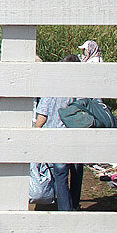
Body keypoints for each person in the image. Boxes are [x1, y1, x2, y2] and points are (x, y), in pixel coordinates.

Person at [33, 56, 84, 211]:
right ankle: (74, 204)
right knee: (76, 172)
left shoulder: (53, 86)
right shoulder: (85, 87)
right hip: (78, 136)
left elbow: (43, 114)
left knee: (60, 174)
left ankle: (65, 210)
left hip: (57, 136)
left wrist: (35, 131)